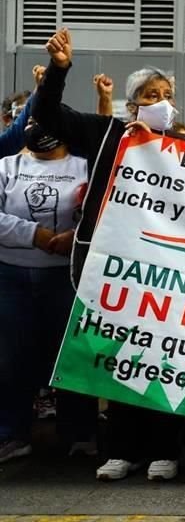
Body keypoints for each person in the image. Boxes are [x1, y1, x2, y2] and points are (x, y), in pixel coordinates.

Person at [34, 28, 185, 482]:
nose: (159, 100)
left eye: (165, 94)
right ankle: (122, 450)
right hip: (109, 269)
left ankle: (166, 449)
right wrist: (59, 71)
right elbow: (46, 114)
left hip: (164, 272)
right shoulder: (105, 133)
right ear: (132, 102)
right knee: (117, 357)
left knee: (161, 358)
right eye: (149, 94)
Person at [0, 118, 98, 464]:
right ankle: (12, 434)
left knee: (72, 356)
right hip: (11, 276)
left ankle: (80, 433)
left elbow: (102, 209)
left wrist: (77, 234)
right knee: (11, 358)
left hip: (67, 278)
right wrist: (35, 236)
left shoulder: (87, 166)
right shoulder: (7, 166)